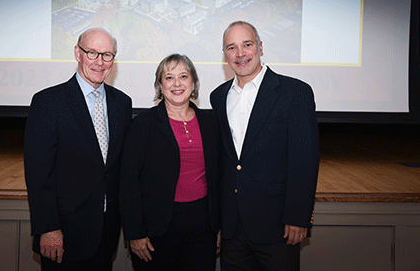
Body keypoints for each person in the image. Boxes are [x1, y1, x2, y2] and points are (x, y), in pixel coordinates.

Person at [210, 21, 320, 271]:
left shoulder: (295, 92)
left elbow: (305, 159)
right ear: (225, 54)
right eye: (231, 47)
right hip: (232, 229)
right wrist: (217, 223)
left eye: (247, 45)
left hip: (278, 226)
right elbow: (224, 165)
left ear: (259, 46)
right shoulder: (218, 96)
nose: (240, 54)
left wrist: (298, 217)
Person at [24, 27, 132, 270]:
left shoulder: (122, 104)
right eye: (92, 53)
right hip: (62, 236)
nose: (100, 62)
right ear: (77, 53)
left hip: (105, 234)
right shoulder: (48, 103)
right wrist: (48, 228)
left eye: (107, 55)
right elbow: (38, 173)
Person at [119, 54, 221, 271]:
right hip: (156, 230)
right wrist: (135, 233)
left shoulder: (210, 123)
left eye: (184, 76)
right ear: (160, 84)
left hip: (203, 230)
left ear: (193, 82)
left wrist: (219, 226)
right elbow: (128, 182)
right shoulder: (143, 125)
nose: (177, 84)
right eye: (169, 77)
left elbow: (218, 178)